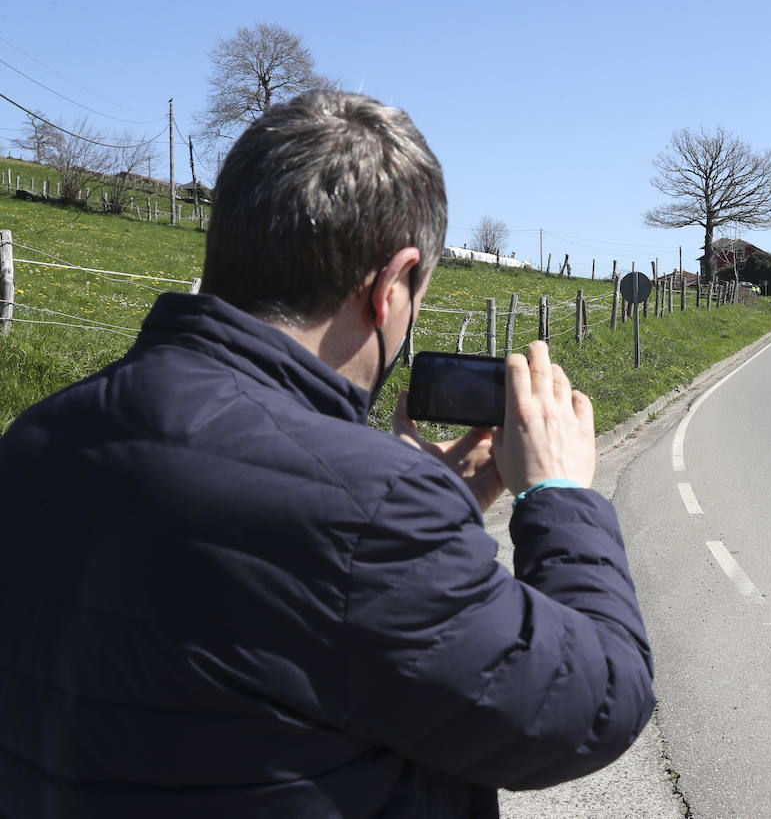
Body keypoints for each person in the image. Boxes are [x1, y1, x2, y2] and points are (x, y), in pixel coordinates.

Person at [0, 90, 655, 817]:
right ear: (389, 285)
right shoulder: (370, 513)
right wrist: (557, 497)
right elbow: (593, 707)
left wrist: (431, 505)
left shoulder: (36, 437)